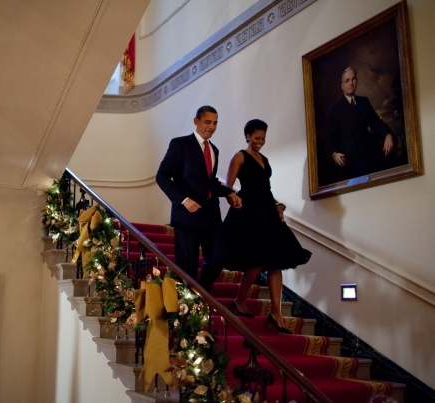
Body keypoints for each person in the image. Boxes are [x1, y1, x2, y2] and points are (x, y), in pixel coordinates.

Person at [223, 119, 311, 333]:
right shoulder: (240, 156)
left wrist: (278, 205)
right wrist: (234, 201)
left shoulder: (265, 159)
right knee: (257, 261)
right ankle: (239, 299)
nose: (260, 142)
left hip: (267, 212)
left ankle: (276, 313)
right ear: (247, 136)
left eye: (263, 138)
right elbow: (228, 187)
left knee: (275, 262)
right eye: (256, 138)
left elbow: (266, 190)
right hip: (249, 212)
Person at [156, 105, 242, 291]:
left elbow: (210, 182)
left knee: (219, 257)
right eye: (207, 122)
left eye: (215, 123)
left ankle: (197, 291)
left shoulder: (214, 150)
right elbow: (162, 176)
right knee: (187, 267)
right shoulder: (180, 144)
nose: (211, 126)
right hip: (187, 215)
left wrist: (228, 192)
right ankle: (185, 305)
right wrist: (183, 199)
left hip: (211, 214)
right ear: (196, 121)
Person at [326, 67, 396, 180]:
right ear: (342, 86)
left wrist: (388, 134)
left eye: (353, 79)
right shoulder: (336, 110)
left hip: (367, 156)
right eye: (347, 80)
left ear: (357, 81)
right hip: (349, 161)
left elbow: (376, 122)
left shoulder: (364, 102)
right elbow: (329, 138)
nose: (351, 83)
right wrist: (334, 154)